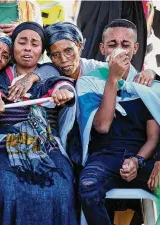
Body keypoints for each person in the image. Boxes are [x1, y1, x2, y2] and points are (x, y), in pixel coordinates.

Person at [0, 22, 78, 225]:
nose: (28, 48)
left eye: (35, 44)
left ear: (41, 50)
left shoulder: (49, 74)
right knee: (7, 187)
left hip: (46, 147)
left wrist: (63, 93)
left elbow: (63, 85)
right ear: (13, 46)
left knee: (61, 187)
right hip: (3, 148)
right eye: (22, 42)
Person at [76, 19, 160, 225]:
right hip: (104, 155)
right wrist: (113, 80)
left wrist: (137, 160)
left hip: (141, 156)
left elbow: (153, 136)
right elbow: (102, 126)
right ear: (102, 48)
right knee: (87, 187)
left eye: (126, 44)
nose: (119, 49)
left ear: (135, 48)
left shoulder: (147, 84)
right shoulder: (89, 81)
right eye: (112, 44)